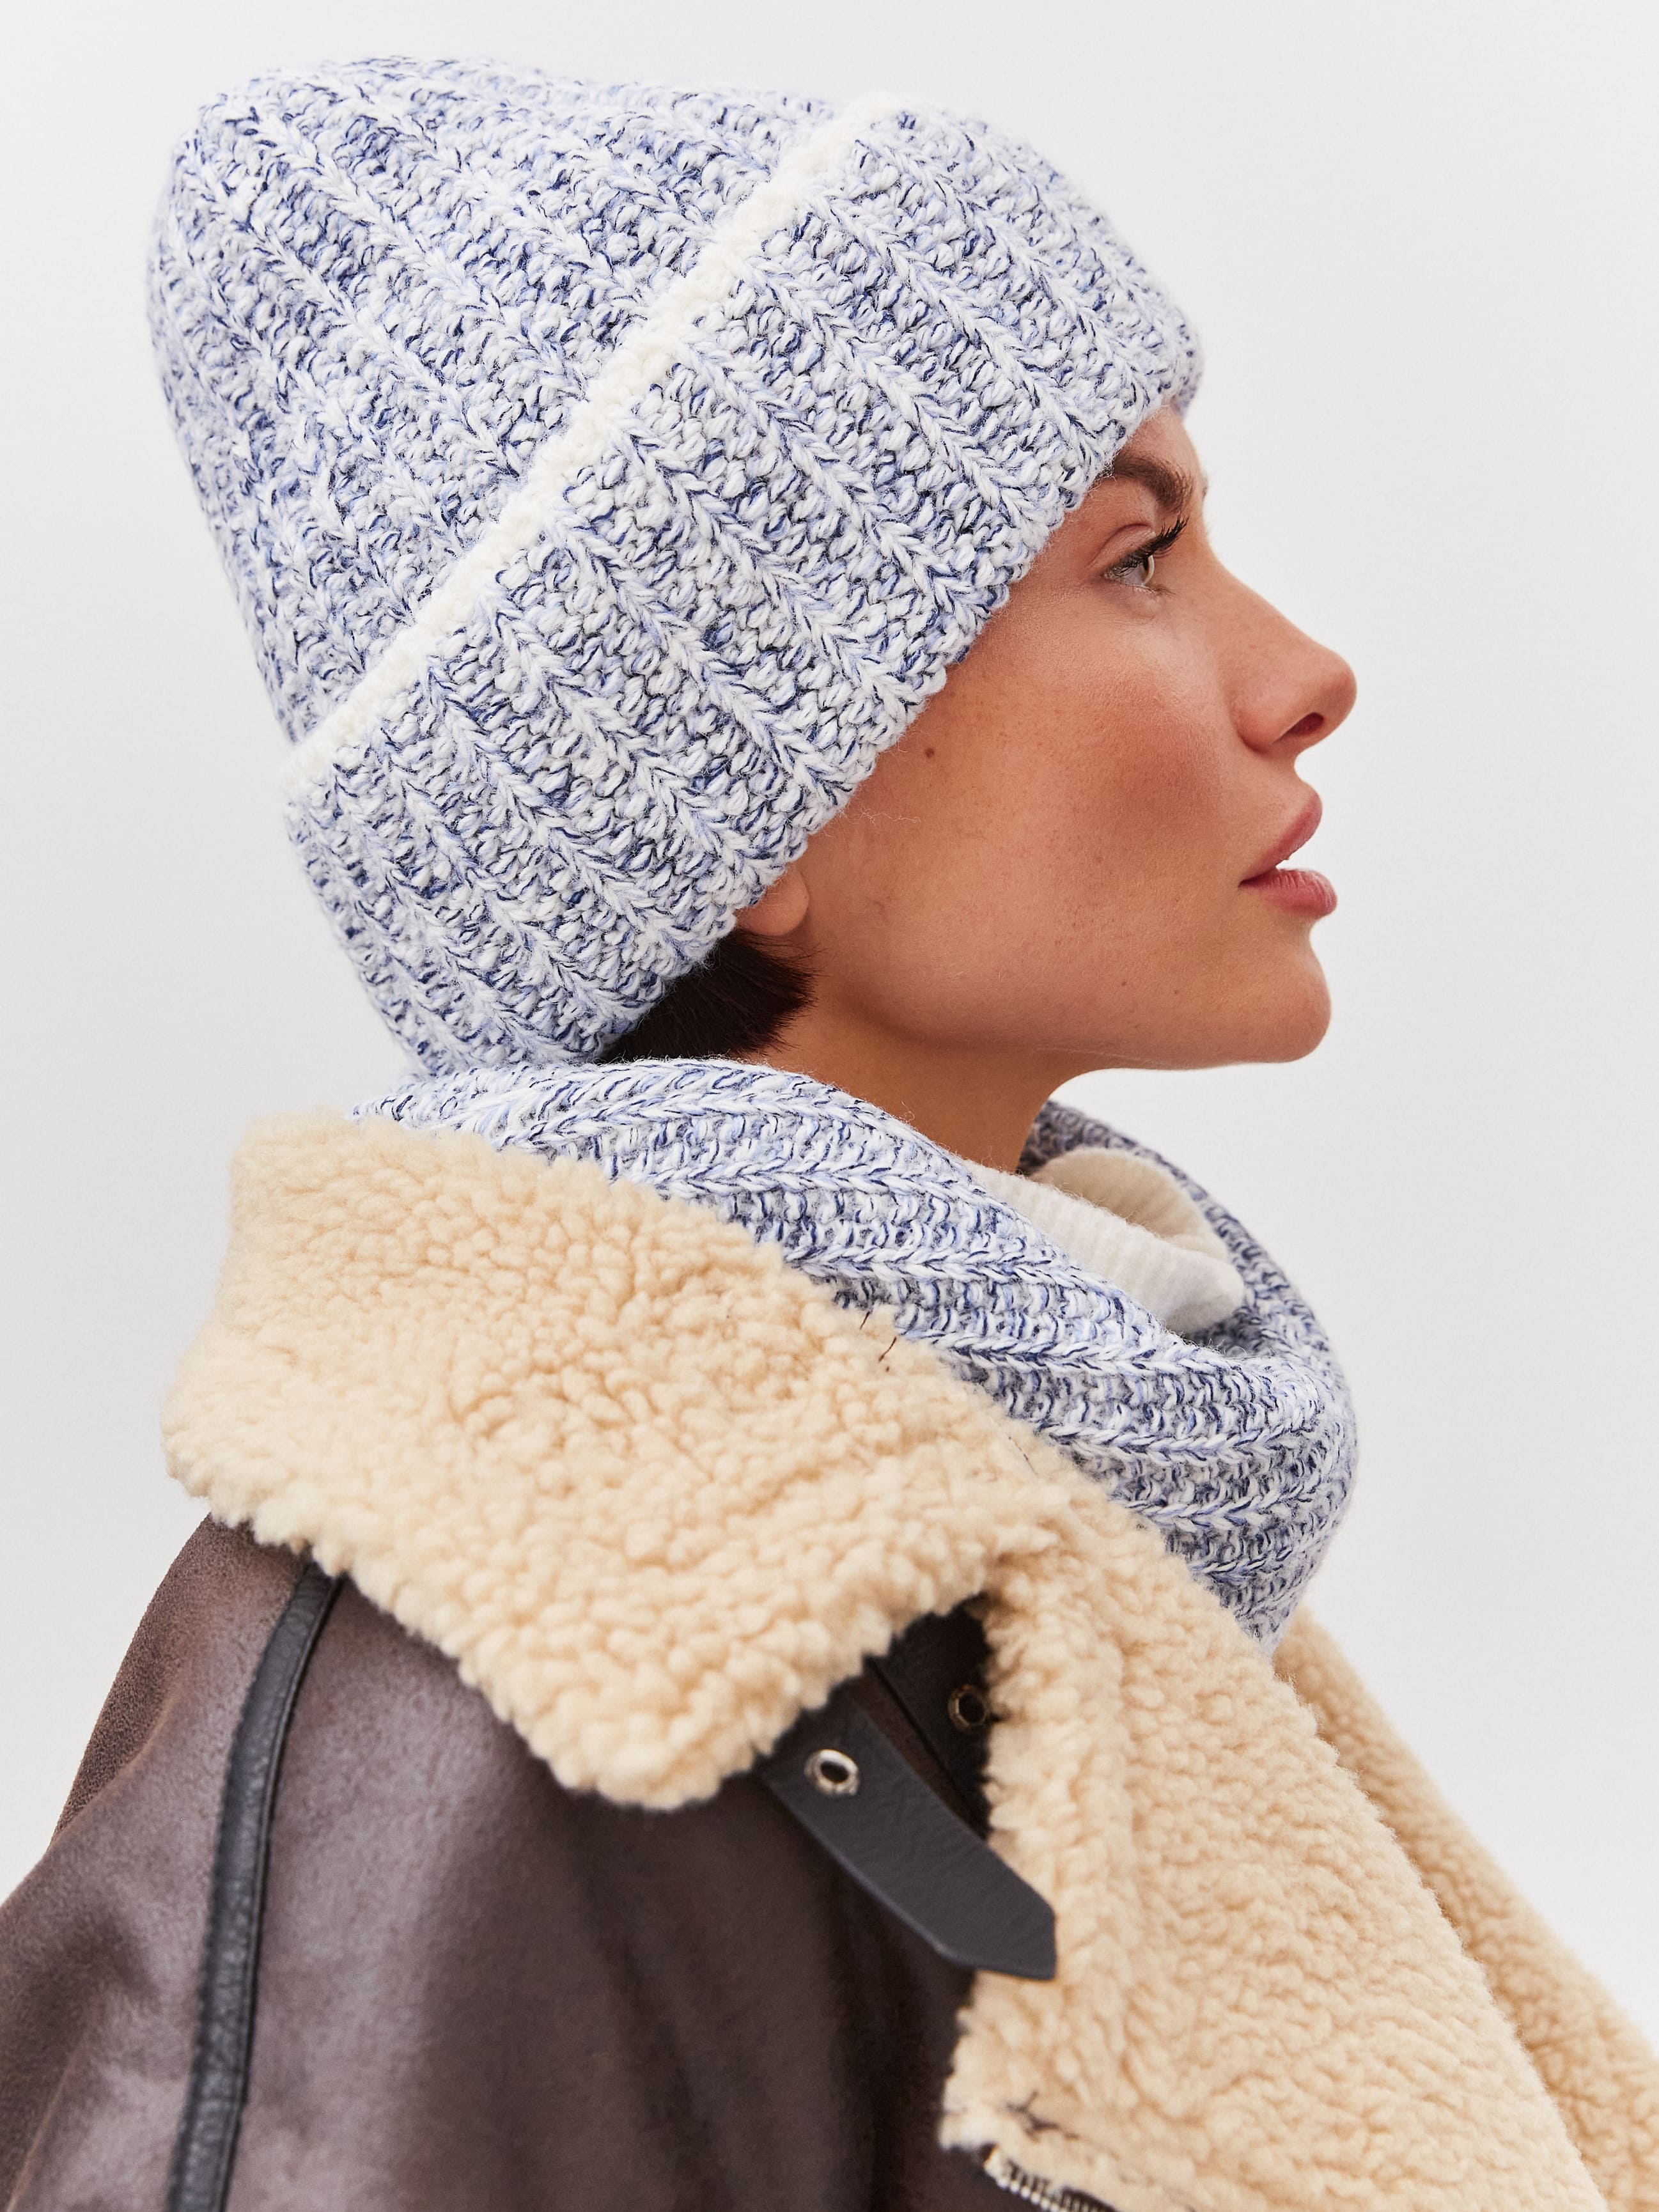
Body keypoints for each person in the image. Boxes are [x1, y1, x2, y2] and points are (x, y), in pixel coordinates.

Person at [1, 59, 1654, 2212]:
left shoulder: (1015, 1525)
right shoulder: (552, 1681)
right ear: (731, 801)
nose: (1303, 671)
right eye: (1138, 556)